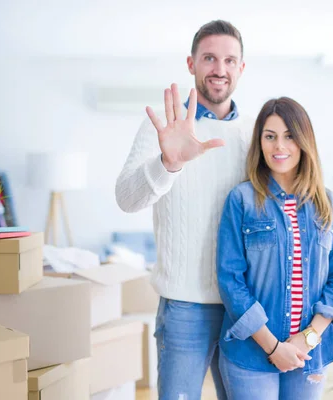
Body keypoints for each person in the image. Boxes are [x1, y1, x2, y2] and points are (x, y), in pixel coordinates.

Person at [115, 20, 253, 400]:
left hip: (244, 306)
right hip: (184, 305)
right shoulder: (164, 128)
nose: (219, 69)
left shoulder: (254, 134)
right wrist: (169, 162)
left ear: (241, 68)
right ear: (191, 64)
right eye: (209, 58)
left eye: (229, 60)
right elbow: (127, 199)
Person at [216, 97, 333, 399]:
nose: (280, 146)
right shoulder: (241, 200)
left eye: (290, 136)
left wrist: (308, 339)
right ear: (259, 142)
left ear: (304, 142)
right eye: (270, 136)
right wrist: (274, 347)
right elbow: (230, 281)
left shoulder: (327, 203)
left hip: (310, 355)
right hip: (250, 355)